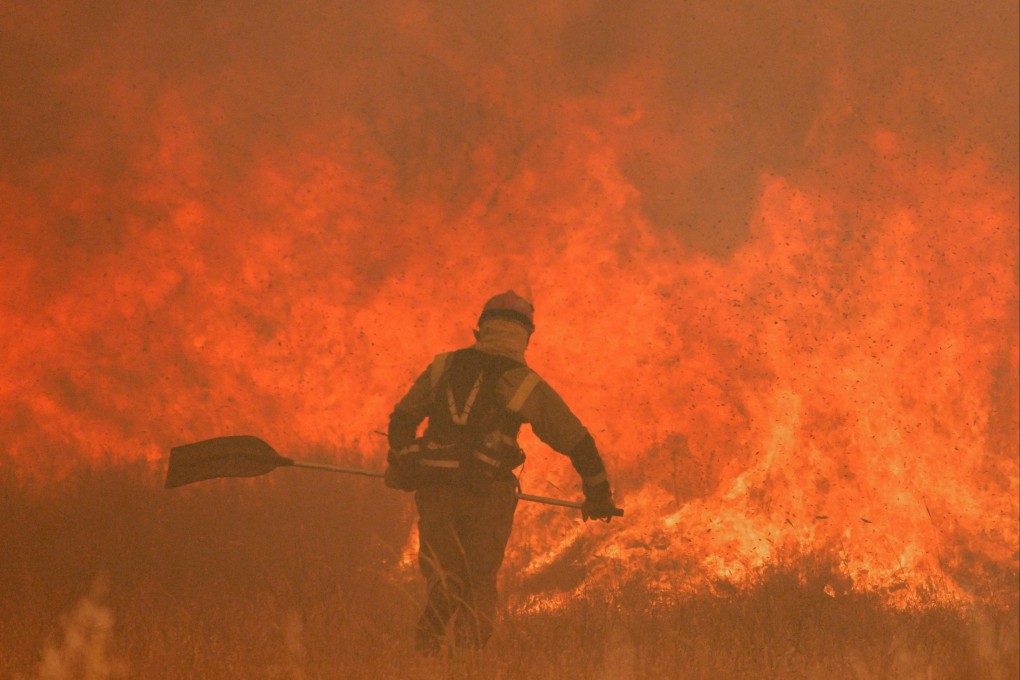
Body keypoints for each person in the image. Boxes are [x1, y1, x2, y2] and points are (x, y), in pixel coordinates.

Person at [384, 290, 618, 653]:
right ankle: (468, 666)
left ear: (480, 329)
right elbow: (575, 439)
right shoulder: (521, 381)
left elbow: (401, 418)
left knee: (444, 577)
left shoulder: (444, 366)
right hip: (487, 495)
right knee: (478, 583)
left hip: (436, 492)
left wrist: (401, 463)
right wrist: (598, 494)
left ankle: (425, 655)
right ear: (526, 335)